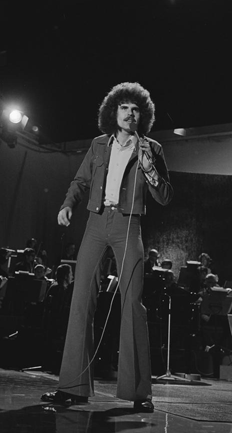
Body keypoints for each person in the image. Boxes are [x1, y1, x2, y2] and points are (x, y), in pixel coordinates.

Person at [41, 82, 173, 411]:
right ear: (113, 112)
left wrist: (149, 169)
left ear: (143, 115)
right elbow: (81, 180)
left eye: (135, 109)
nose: (130, 113)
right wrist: (68, 204)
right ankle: (72, 387)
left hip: (129, 225)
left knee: (133, 303)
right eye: (124, 107)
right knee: (81, 299)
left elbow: (165, 196)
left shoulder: (152, 148)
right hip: (96, 223)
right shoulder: (99, 144)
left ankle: (139, 394)